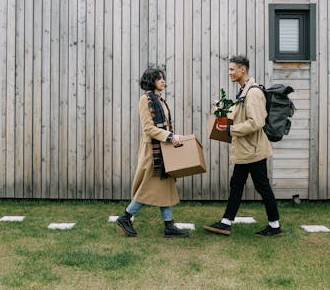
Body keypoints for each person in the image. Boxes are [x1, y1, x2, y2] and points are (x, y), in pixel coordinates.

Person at [204, 55, 281, 236]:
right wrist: (221, 108)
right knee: (237, 184)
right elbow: (240, 114)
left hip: (253, 150)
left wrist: (231, 130)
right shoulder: (244, 91)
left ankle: (275, 225)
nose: (229, 73)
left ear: (242, 70)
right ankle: (226, 221)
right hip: (246, 149)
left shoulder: (253, 93)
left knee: (262, 186)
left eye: (232, 69)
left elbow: (256, 122)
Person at [116, 68, 189, 238]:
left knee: (165, 185)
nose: (163, 81)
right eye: (159, 78)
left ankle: (169, 225)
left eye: (163, 78)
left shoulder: (160, 99)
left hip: (164, 148)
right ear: (151, 81)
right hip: (153, 151)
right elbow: (148, 128)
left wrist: (171, 138)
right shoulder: (145, 99)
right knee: (149, 186)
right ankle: (125, 217)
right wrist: (170, 137)